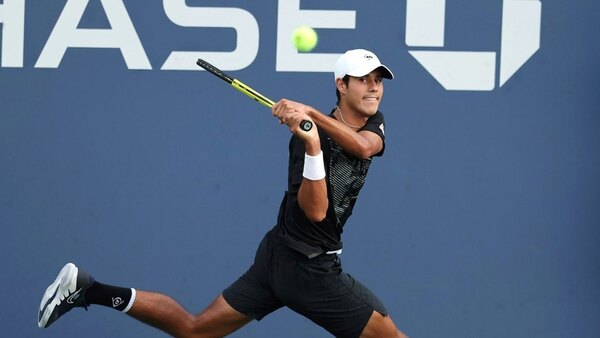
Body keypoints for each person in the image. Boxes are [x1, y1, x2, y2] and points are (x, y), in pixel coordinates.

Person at [38, 49, 409, 338]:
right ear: (342, 85)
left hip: (278, 254)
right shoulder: (306, 145)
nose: (374, 87)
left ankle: (88, 289)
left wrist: (312, 114)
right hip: (308, 269)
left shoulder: (372, 120)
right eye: (364, 80)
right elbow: (314, 212)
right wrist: (313, 145)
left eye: (378, 79)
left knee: (195, 329)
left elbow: (363, 147)